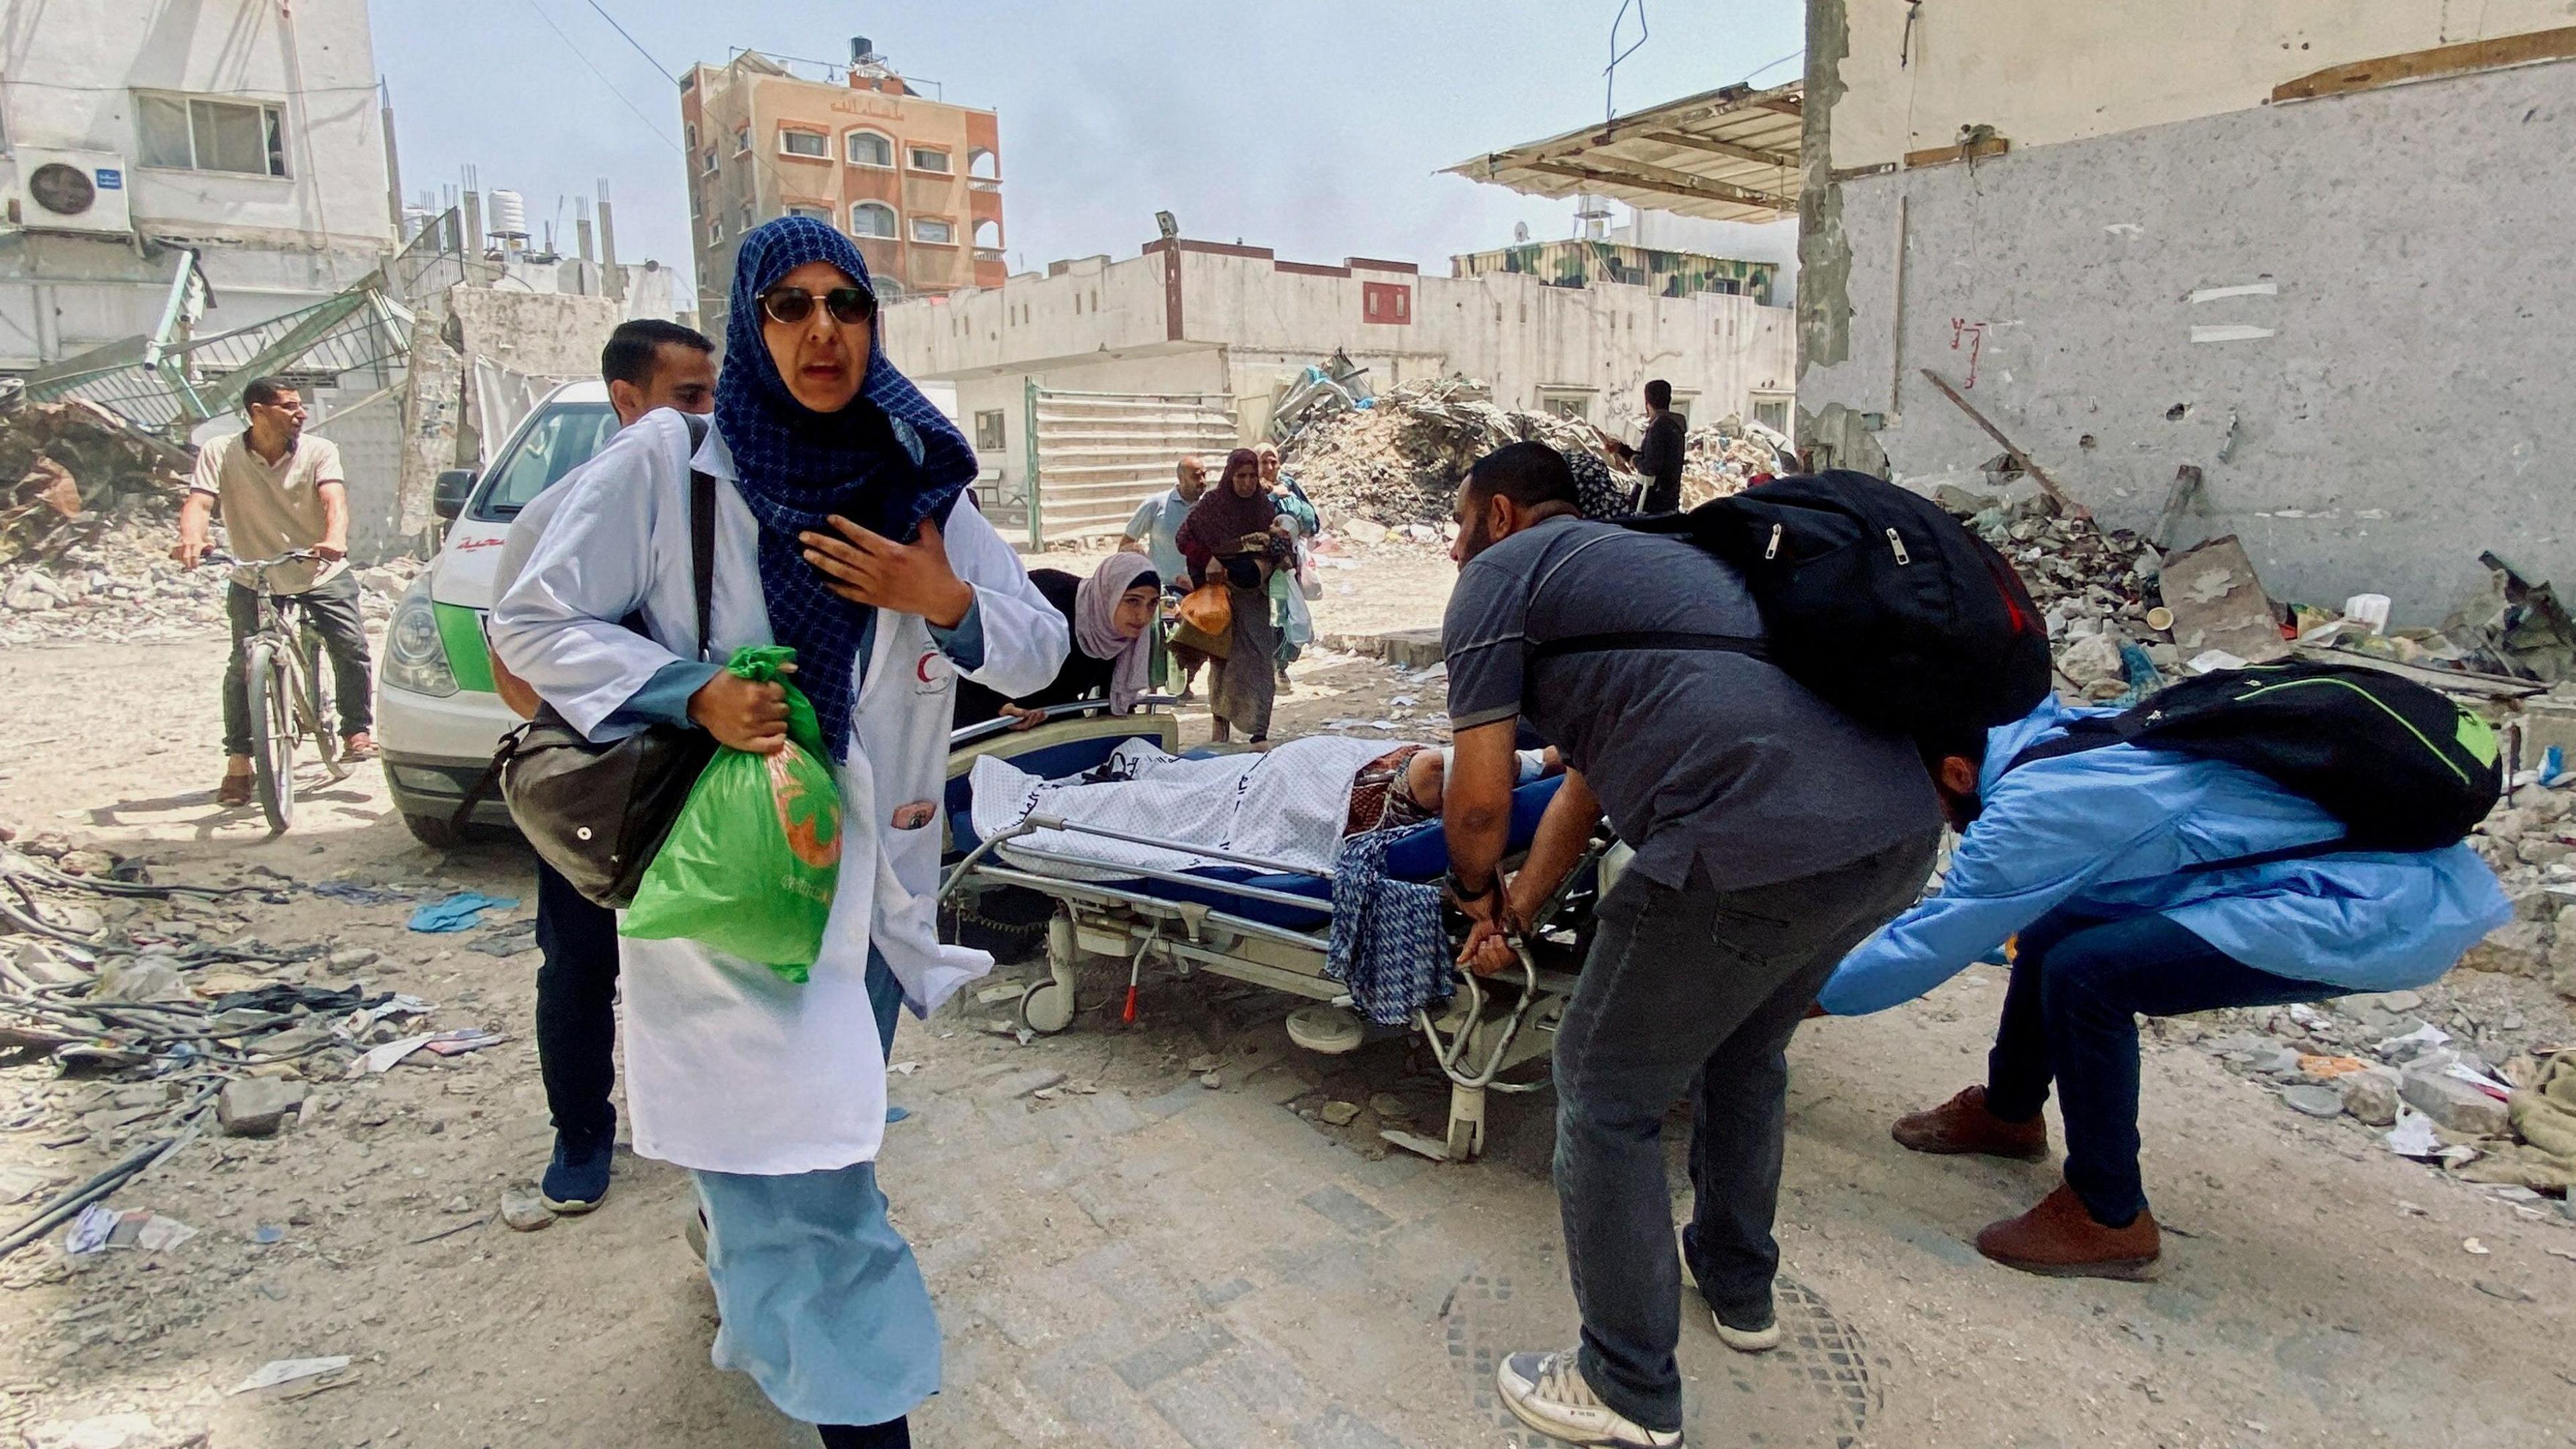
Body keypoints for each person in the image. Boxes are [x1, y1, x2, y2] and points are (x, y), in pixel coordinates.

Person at [492, 217, 1067, 1448]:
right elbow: (531, 620)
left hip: (865, 899)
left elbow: (1042, 647)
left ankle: (734, 1238)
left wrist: (943, 601)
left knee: (800, 1158)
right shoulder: (669, 463)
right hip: (729, 892)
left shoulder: (918, 482)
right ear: (753, 323)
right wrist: (684, 690)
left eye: (845, 305)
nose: (821, 331)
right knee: (812, 1205)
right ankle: (866, 1418)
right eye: (789, 306)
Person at [1438, 441, 1945, 1448]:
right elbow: (1586, 780)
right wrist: (1525, 905)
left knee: (1604, 1084)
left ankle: (1625, 1385)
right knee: (1746, 1048)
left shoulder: (1501, 577)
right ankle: (1738, 1289)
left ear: (1498, 514)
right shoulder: (1652, 562)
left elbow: (1481, 802)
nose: (1456, 546)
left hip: (1753, 839)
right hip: (1896, 832)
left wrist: (1473, 895)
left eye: (1459, 521)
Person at [1819, 694, 2509, 1280]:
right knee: (2060, 919)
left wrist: (1789, 996)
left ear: (1958, 771)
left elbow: (1935, 938)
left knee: (2090, 974)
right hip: (2348, 871)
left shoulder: (2034, 804)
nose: (1937, 823)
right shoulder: (2041, 730)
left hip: (2363, 907)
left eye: (1931, 804)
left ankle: (2109, 1214)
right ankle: (2008, 1114)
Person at [482, 317, 717, 1214]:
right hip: (604, 784)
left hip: (704, 782)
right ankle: (581, 1132)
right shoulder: (555, 517)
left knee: (707, 961)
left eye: (712, 395)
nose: (709, 416)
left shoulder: (717, 501)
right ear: (629, 402)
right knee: (579, 965)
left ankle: (712, 1136)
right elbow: (518, 670)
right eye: (688, 398)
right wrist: (635, 704)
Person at [174, 376, 377, 806]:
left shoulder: (319, 451)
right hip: (256, 572)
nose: (300, 413)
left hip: (318, 566)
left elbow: (334, 501)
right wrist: (193, 537)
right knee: (242, 666)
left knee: (351, 645)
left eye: (300, 406)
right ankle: (240, 762)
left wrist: (335, 538)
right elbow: (199, 503)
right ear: (258, 412)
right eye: (289, 406)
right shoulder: (220, 451)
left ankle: (355, 729)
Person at [953, 552, 1160, 731]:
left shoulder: (1124, 634)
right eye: (1133, 601)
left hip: (1052, 719)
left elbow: (1112, 702)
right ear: (1109, 593)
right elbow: (979, 649)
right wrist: (1000, 706)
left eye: (1152, 604)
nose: (1143, 616)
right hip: (986, 714)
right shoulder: (1048, 599)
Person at [1175, 447, 1288, 745]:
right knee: (1223, 662)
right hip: (1221, 600)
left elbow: (1275, 549)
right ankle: (1220, 726)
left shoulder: (1263, 508)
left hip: (1253, 598)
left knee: (1260, 661)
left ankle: (1258, 729)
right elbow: (1184, 540)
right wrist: (1212, 558)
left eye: (1253, 476)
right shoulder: (1213, 505)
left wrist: (1268, 559)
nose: (1248, 483)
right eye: (1241, 476)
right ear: (1230, 475)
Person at [1127, 456, 1209, 699]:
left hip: (1199, 589)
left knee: (1204, 638)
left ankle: (1185, 681)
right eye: (1196, 476)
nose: (1202, 481)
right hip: (1162, 589)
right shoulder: (1156, 505)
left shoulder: (1210, 508)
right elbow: (1128, 542)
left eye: (1205, 475)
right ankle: (1153, 689)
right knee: (1157, 637)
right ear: (1180, 478)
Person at [1258, 442, 1318, 684]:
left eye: (1274, 461)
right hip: (1262, 567)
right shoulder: (1249, 487)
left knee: (1288, 615)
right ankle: (1264, 668)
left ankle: (1280, 666)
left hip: (1289, 566)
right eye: (1264, 461)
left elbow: (1312, 522)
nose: (1270, 467)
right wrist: (1271, 496)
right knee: (1266, 618)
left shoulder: (1290, 485)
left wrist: (1292, 502)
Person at [1593, 379, 1688, 515]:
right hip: (1669, 499)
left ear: (1647, 402)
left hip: (1652, 503)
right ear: (1669, 399)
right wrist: (1622, 450)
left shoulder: (1658, 427)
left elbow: (1650, 467)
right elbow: (1652, 456)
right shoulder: (1675, 426)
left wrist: (1634, 461)